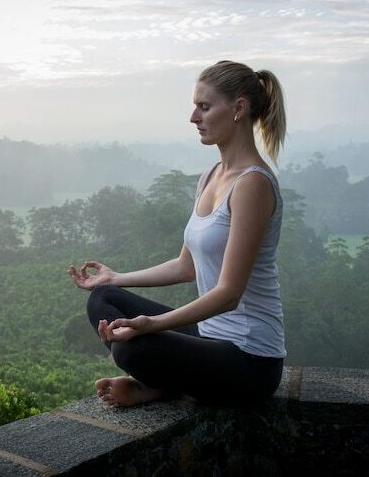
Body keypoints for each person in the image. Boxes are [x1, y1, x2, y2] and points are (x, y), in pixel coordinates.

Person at [68, 60, 287, 407]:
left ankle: (159, 385)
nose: (193, 117)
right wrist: (117, 277)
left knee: (129, 345)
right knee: (103, 299)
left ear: (238, 109)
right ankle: (165, 383)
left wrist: (151, 324)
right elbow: (187, 266)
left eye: (204, 106)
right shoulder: (211, 176)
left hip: (249, 360)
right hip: (209, 336)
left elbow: (229, 294)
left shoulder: (253, 185)